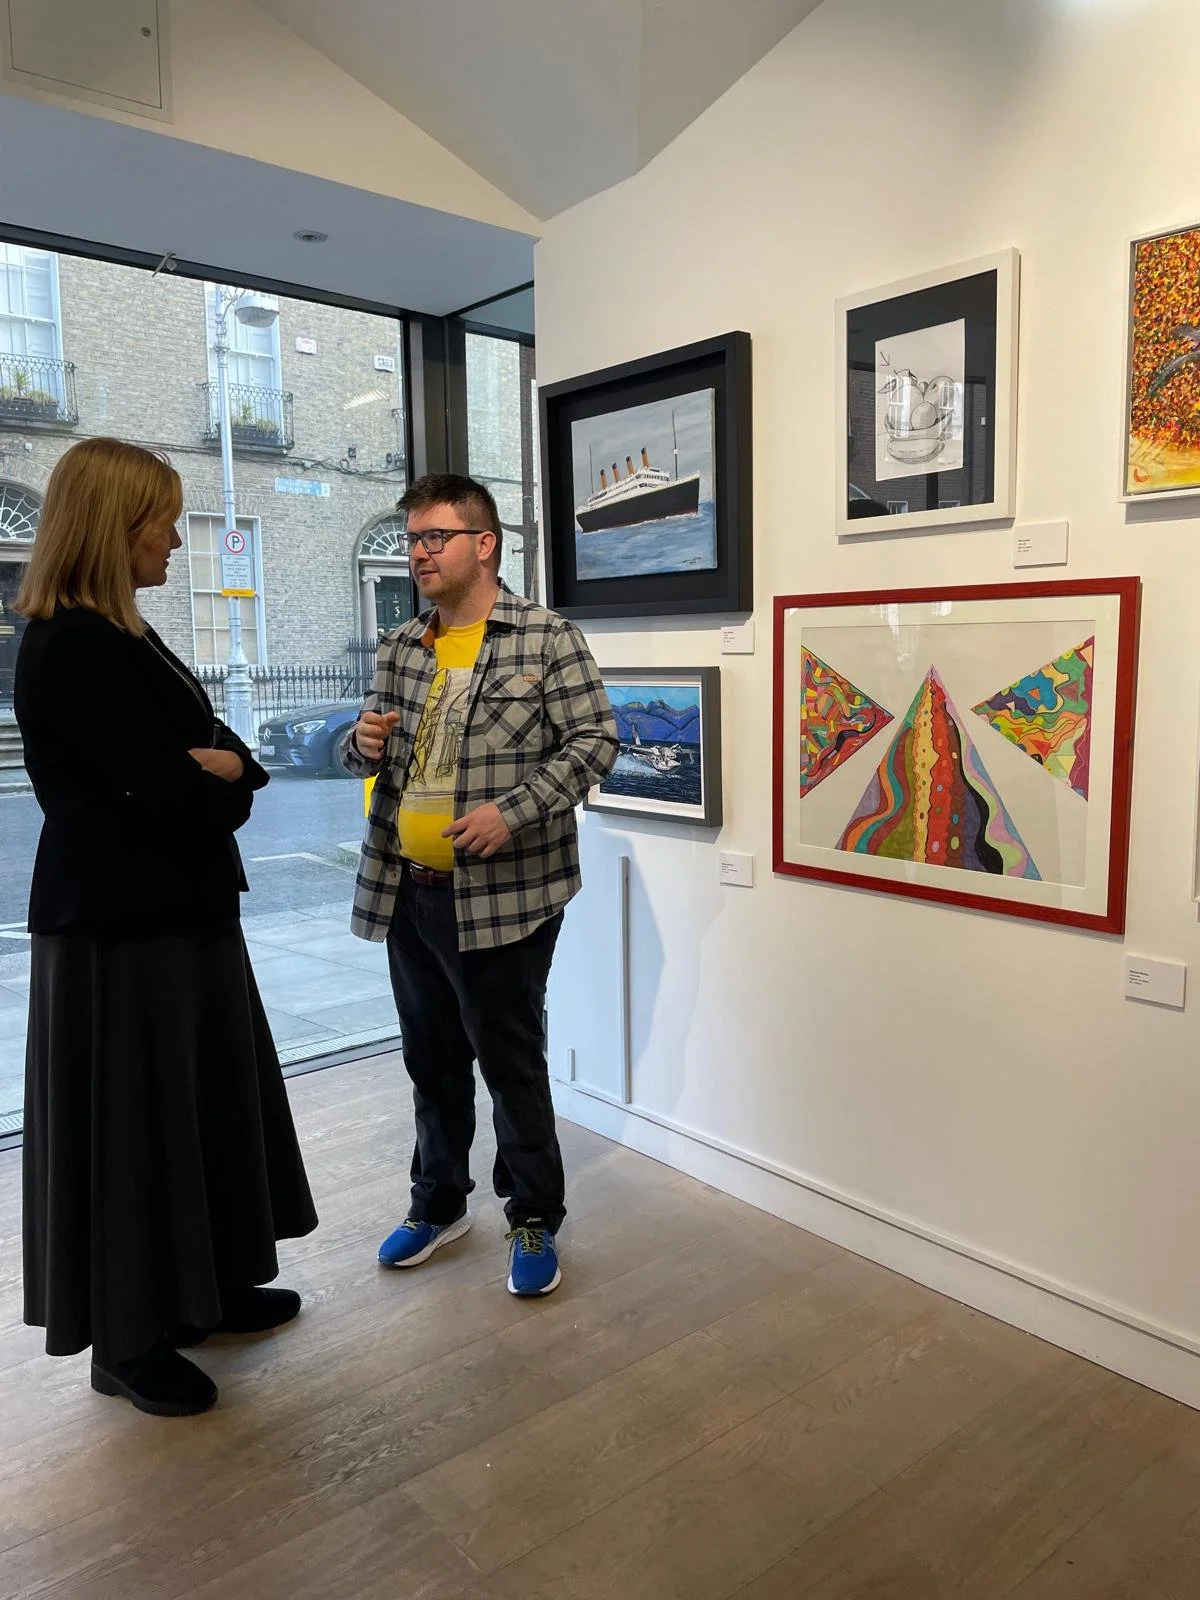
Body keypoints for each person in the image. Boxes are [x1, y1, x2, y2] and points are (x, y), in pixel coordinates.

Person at [14, 437, 317, 1418]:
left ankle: (205, 1291)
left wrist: (223, 770)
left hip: (176, 917)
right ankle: (129, 1337)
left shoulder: (127, 634)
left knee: (199, 1110)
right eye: (165, 521)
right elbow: (153, 796)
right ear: (117, 526)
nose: (178, 541)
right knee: (138, 1130)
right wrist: (215, 776)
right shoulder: (71, 643)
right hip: (119, 933)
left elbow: (226, 752)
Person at [342, 472, 617, 1296]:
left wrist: (514, 812)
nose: (419, 552)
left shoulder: (544, 638)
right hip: (407, 888)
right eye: (413, 538)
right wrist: (362, 744)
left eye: (434, 538)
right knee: (430, 1060)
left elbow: (596, 741)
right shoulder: (400, 647)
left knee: (510, 1062)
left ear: (483, 543)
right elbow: (371, 762)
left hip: (506, 895)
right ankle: (439, 1203)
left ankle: (533, 1215)